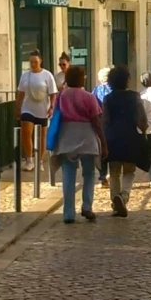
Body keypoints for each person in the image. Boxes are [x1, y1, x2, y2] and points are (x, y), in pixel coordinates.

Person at [54, 66, 108, 223]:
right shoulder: (89, 97)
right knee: (89, 173)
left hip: (66, 136)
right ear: (81, 79)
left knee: (68, 175)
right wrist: (103, 143)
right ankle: (87, 206)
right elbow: (96, 122)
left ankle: (68, 213)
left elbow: (56, 116)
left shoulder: (61, 96)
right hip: (86, 136)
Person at [103, 66, 149, 218]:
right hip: (130, 138)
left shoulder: (108, 99)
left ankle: (115, 202)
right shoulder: (135, 96)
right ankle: (123, 197)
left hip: (113, 139)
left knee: (114, 172)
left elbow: (105, 121)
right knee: (129, 171)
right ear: (126, 80)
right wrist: (143, 129)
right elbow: (141, 118)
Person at [16, 50, 58, 172]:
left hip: (42, 109)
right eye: (31, 62)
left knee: (42, 135)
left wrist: (51, 107)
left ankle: (40, 160)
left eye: (35, 62)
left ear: (40, 62)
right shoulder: (25, 76)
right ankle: (29, 159)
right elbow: (20, 93)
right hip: (27, 108)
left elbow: (53, 93)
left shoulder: (47, 75)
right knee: (26, 132)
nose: (33, 64)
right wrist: (18, 108)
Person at [92, 66, 113, 187]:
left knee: (102, 151)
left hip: (100, 124)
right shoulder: (115, 90)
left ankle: (102, 176)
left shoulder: (96, 90)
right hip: (113, 125)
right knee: (113, 149)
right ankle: (113, 173)